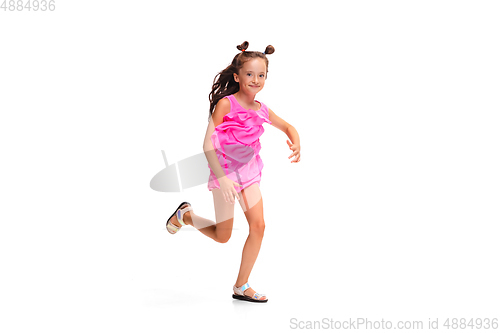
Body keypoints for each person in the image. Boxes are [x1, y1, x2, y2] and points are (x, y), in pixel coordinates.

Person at [166, 41, 301, 303]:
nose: (256, 80)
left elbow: (288, 126)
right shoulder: (226, 105)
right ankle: (186, 215)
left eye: (261, 75)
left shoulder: (261, 109)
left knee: (259, 226)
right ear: (237, 76)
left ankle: (241, 285)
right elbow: (207, 144)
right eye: (250, 74)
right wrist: (224, 179)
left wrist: (296, 141)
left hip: (249, 175)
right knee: (222, 235)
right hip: (224, 173)